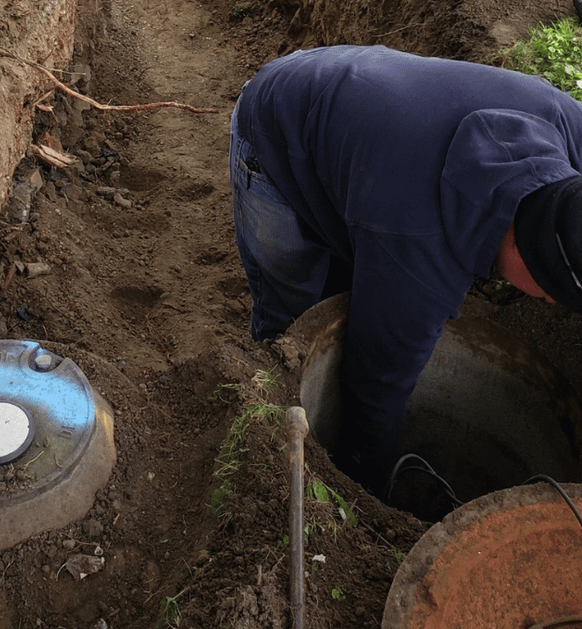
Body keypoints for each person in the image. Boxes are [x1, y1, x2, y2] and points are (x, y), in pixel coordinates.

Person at [229, 44, 582, 496]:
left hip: (367, 100)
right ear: (527, 256)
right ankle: (262, 448)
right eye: (550, 292)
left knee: (364, 272)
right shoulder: (419, 250)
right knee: (294, 320)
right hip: (277, 131)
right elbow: (375, 391)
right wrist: (369, 488)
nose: (549, 302)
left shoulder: (566, 122)